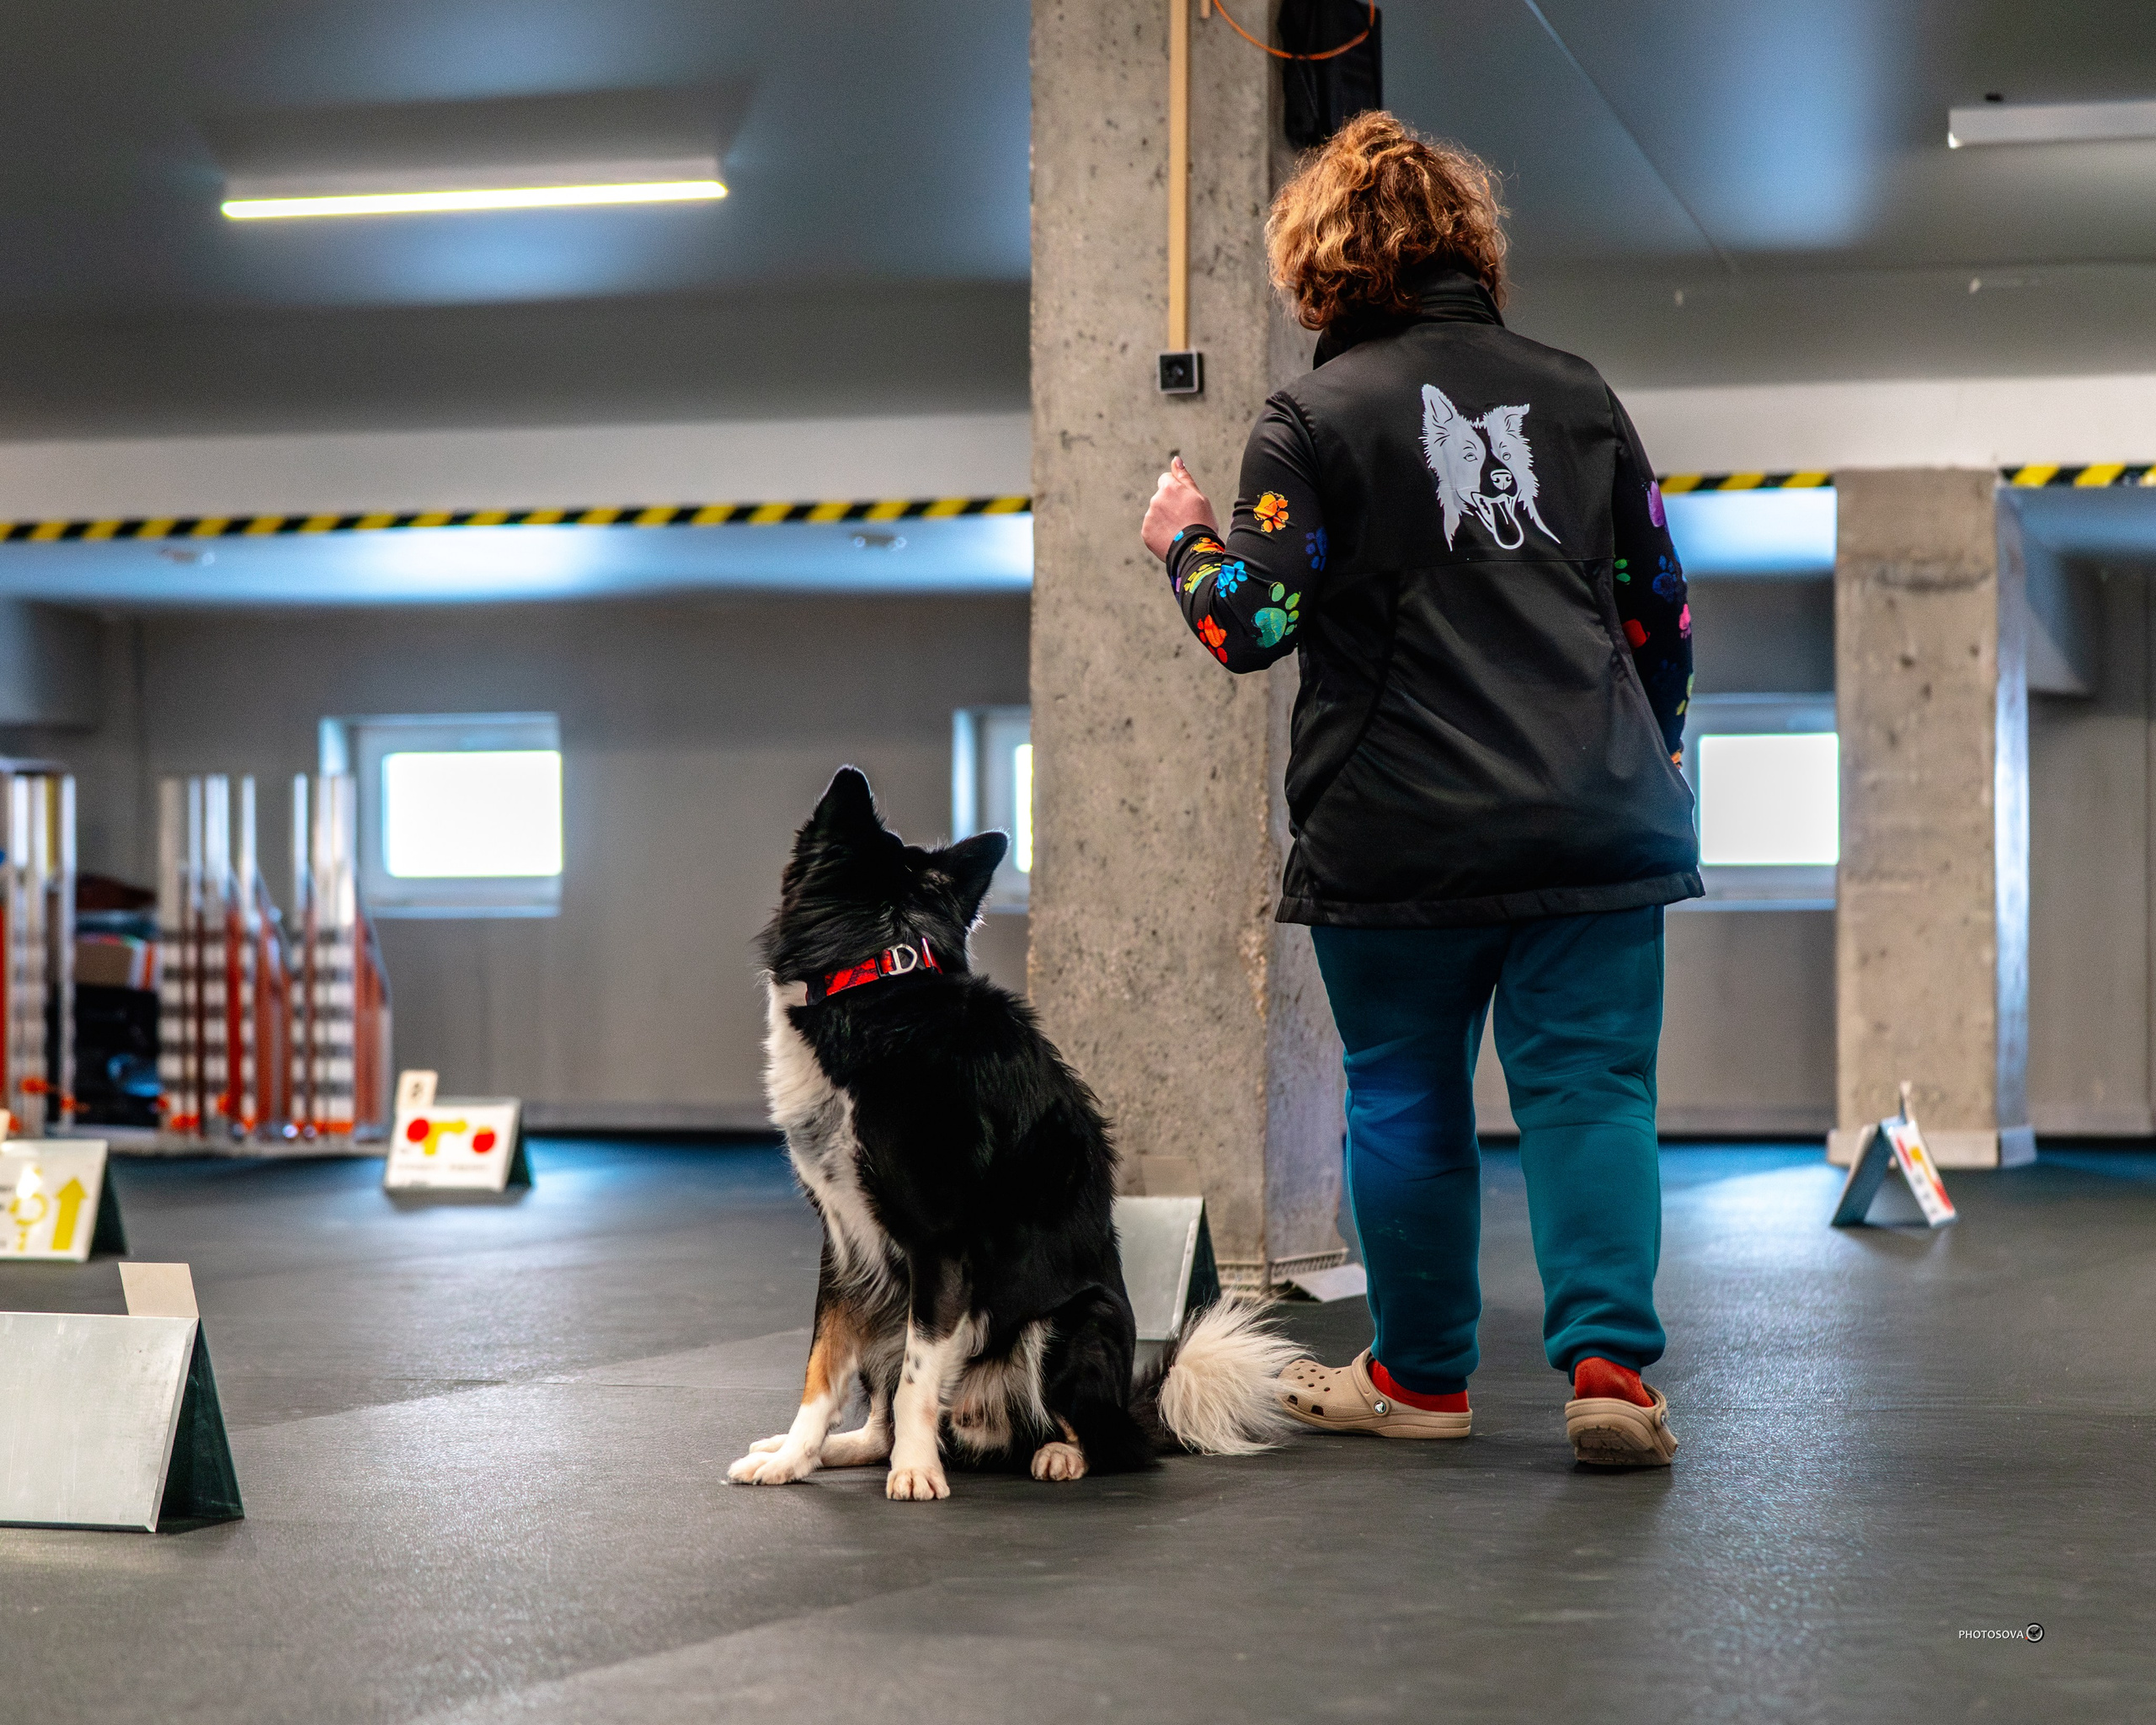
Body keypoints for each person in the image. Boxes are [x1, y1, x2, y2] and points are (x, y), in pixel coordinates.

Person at [1139, 111, 1696, 1466]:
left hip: (1398, 833)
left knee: (1402, 1097)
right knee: (1592, 1091)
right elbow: (1659, 606)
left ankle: (1423, 1382)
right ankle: (1610, 1370)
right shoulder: (1579, 395)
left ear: (1318, 266)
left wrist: (1185, 541)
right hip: (1596, 812)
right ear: (1470, 248)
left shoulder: (1311, 418)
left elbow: (1251, 628)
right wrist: (1657, 741)